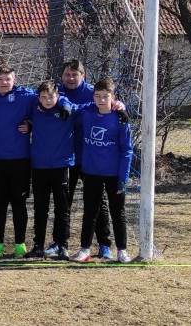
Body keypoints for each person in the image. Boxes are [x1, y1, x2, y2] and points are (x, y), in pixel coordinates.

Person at [72, 77, 134, 264]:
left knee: (118, 213)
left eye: (105, 96)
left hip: (114, 174)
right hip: (91, 172)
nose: (101, 100)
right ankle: (84, 249)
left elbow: (127, 150)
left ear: (112, 97)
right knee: (90, 212)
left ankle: (122, 250)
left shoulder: (120, 119)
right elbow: (68, 107)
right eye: (97, 96)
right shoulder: (87, 113)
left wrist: (123, 178)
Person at [57, 59, 113, 260]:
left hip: (91, 157)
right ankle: (60, 243)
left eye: (75, 74)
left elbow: (111, 104)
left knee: (98, 202)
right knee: (64, 202)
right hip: (64, 157)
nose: (70, 78)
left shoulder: (92, 93)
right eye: (67, 75)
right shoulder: (55, 92)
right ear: (62, 76)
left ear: (83, 75)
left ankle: (104, 245)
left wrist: (119, 106)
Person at [0, 64, 38, 259]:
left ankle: (20, 243)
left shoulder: (27, 96)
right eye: (0, 79)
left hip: (20, 160)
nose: (4, 83)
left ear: (14, 80)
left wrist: (31, 124)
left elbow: (51, 99)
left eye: (8, 79)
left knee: (19, 203)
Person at [25, 81, 77, 260]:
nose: (47, 100)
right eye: (44, 97)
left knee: (62, 208)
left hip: (61, 165)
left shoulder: (67, 111)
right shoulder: (34, 109)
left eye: (51, 97)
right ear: (38, 98)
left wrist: (65, 104)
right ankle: (38, 245)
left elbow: (89, 106)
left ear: (58, 96)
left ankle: (62, 245)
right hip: (39, 166)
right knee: (40, 208)